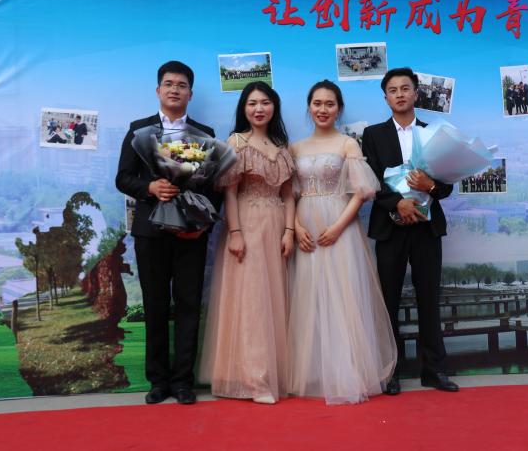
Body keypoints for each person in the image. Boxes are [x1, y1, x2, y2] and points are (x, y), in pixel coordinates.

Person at [115, 60, 220, 405]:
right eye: (169, 84)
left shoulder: (206, 133)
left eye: (182, 85)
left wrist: (202, 224)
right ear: (158, 90)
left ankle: (183, 381)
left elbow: (214, 188)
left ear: (191, 93)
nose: (175, 89)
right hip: (151, 232)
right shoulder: (138, 130)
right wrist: (150, 187)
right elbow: (123, 179)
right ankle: (158, 381)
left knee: (189, 305)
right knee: (155, 305)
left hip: (191, 234)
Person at [288, 80, 397, 405]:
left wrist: (337, 228)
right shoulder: (295, 148)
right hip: (306, 230)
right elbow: (289, 195)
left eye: (330, 104)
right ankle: (315, 374)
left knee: (344, 298)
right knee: (310, 297)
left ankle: (347, 373)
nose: (323, 109)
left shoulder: (348, 144)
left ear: (339, 109)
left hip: (341, 228)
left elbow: (361, 194)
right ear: (309, 107)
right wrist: (295, 228)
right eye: (317, 103)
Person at [362, 67, 459, 395]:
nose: (400, 94)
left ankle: (435, 371)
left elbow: (447, 185)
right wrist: (397, 204)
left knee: (429, 299)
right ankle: (391, 372)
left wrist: (430, 185)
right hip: (390, 227)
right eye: (393, 90)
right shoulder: (373, 134)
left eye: (405, 88)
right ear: (386, 98)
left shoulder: (434, 133)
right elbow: (370, 180)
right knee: (388, 300)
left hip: (426, 228)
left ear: (416, 94)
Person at [200, 82, 296, 404]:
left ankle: (274, 374)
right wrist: (236, 232)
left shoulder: (281, 145)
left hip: (276, 227)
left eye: (265, 102)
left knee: (273, 300)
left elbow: (288, 195)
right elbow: (229, 192)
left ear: (274, 107)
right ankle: (256, 381)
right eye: (252, 103)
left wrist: (289, 231)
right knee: (252, 301)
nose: (259, 109)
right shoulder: (236, 143)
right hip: (248, 225)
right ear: (243, 108)